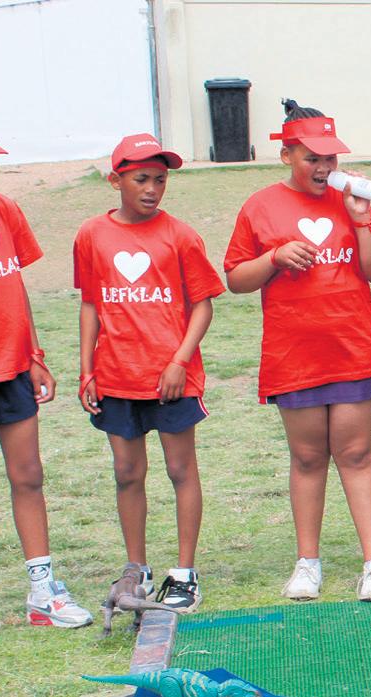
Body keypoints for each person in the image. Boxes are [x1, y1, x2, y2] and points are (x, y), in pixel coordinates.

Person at [225, 100, 371, 603]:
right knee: (306, 457)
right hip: (293, 353)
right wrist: (274, 258)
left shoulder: (351, 202)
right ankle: (308, 564)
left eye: (330, 160)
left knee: (356, 452)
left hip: (352, 347)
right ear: (286, 155)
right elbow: (235, 279)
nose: (323, 169)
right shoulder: (261, 206)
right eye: (311, 159)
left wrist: (362, 221)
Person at [74, 134, 223, 612]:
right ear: (115, 179)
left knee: (180, 469)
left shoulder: (180, 235)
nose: (152, 189)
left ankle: (184, 573)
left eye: (160, 180)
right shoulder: (91, 235)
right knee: (126, 472)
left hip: (170, 378)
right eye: (141, 179)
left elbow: (202, 306)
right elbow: (92, 304)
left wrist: (179, 360)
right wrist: (86, 369)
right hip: (117, 376)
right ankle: (135, 569)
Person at [0, 128, 92, 634]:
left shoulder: (3, 210)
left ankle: (42, 592)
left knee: (28, 476)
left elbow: (13, 285)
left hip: (10, 368)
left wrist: (33, 354)